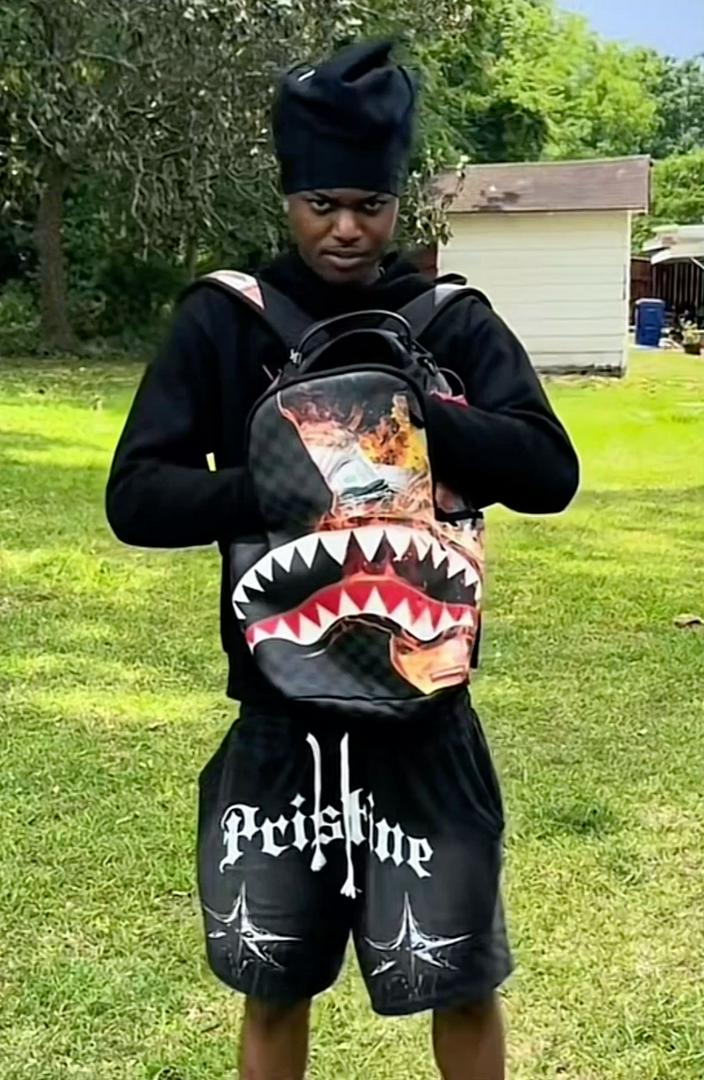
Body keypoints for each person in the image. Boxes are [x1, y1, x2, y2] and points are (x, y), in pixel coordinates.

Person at [106, 40, 579, 1080]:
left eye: (370, 204)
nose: (347, 228)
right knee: (272, 980)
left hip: (426, 710)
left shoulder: (450, 321)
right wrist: (278, 485)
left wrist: (416, 413)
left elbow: (550, 472)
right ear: (289, 198)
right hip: (279, 711)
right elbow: (135, 498)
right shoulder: (222, 320)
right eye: (322, 204)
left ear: (398, 203)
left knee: (459, 979)